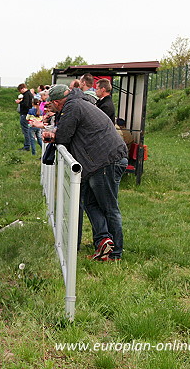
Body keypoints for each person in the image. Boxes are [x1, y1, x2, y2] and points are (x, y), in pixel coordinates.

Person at [41, 84, 128, 261]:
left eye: (52, 104)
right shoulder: (76, 103)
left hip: (106, 161)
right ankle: (104, 241)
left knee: (109, 208)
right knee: (89, 203)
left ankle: (116, 253)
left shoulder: (73, 107)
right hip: (98, 162)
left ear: (57, 102)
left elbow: (64, 136)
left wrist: (52, 136)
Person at [15, 83, 34, 151]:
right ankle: (28, 145)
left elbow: (26, 104)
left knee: (25, 130)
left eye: (20, 90)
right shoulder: (30, 94)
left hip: (25, 114)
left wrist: (19, 102)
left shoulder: (26, 95)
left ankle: (27, 146)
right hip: (28, 114)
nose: (20, 92)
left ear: (22, 89)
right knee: (27, 130)